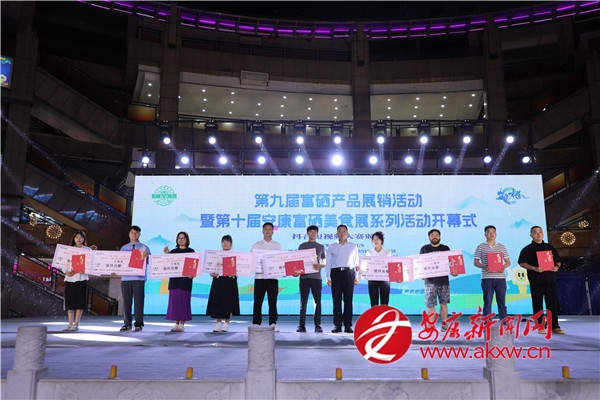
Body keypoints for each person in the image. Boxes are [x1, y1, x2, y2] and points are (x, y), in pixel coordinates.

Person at [518, 225, 565, 334]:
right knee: (537, 303)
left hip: (550, 279)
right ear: (531, 235)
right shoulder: (527, 249)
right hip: (536, 279)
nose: (538, 234)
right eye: (535, 232)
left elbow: (558, 261)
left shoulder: (550, 247)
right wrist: (534, 268)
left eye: (540, 232)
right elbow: (522, 263)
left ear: (543, 234)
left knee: (552, 303)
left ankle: (554, 326)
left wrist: (556, 267)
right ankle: (540, 326)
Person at [419, 229, 457, 332]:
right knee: (430, 304)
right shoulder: (424, 248)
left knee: (443, 303)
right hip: (429, 281)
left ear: (440, 237)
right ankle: (431, 325)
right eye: (432, 235)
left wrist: (454, 271)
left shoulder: (445, 248)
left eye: (437, 234)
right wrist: (421, 274)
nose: (434, 236)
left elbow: (451, 262)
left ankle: (444, 324)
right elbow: (420, 263)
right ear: (429, 237)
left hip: (443, 280)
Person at [326, 224, 359, 333]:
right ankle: (337, 325)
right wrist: (328, 277)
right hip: (336, 273)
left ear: (347, 233)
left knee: (348, 300)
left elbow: (357, 262)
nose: (342, 233)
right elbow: (328, 263)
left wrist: (357, 276)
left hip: (349, 273)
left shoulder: (353, 246)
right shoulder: (332, 246)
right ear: (337, 233)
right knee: (337, 300)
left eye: (344, 231)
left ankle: (348, 325)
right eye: (339, 231)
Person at [473, 225, 511, 320]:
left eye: (493, 232)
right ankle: (487, 322)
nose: (491, 234)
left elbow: (508, 262)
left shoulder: (502, 247)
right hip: (487, 278)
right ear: (485, 234)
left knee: (502, 302)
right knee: (487, 302)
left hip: (501, 278)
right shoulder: (480, 247)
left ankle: (504, 321)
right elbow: (476, 262)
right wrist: (484, 266)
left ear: (496, 234)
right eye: (489, 232)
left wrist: (503, 267)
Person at [251, 222, 283, 331]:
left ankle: (273, 323)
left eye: (270, 229)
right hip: (259, 277)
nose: (268, 231)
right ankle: (256, 323)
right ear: (262, 231)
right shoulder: (256, 245)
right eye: (266, 229)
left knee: (272, 302)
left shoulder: (277, 245)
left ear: (273, 231)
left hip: (273, 278)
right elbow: (252, 260)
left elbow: (281, 261)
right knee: (257, 301)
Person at [207, 235, 240, 333]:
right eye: (223, 242)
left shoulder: (235, 255)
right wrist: (212, 273)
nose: (225, 244)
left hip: (230, 280)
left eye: (227, 241)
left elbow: (240, 269)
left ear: (231, 243)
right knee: (217, 302)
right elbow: (211, 268)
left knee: (229, 302)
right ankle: (218, 323)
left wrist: (235, 273)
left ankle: (226, 323)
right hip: (218, 280)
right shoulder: (216, 255)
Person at [296, 225, 326, 333]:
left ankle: (317, 325)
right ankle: (301, 325)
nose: (313, 233)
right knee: (303, 302)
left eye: (315, 231)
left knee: (317, 302)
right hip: (304, 277)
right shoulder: (302, 246)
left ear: (317, 233)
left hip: (317, 278)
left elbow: (324, 261)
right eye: (311, 231)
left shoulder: (321, 247)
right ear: (307, 233)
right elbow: (298, 261)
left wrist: (320, 266)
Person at [119, 225, 150, 332]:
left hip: (139, 278)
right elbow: (119, 262)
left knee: (139, 302)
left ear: (139, 234)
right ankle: (127, 323)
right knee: (126, 302)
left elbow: (150, 262)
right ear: (129, 234)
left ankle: (139, 323)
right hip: (125, 279)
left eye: (136, 232)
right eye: (132, 232)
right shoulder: (123, 248)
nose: (134, 234)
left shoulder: (145, 248)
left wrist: (147, 256)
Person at [163, 232, 195, 332]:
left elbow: (193, 266)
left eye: (183, 238)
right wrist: (167, 255)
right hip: (174, 281)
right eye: (179, 238)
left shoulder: (191, 251)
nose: (181, 240)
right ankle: (176, 324)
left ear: (187, 240)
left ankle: (182, 324)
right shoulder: (173, 252)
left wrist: (192, 274)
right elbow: (168, 265)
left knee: (184, 303)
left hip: (185, 281)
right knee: (175, 303)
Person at [62, 230, 90, 332]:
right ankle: (70, 324)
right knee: (70, 302)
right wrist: (66, 272)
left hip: (82, 279)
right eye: (77, 237)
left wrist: (85, 270)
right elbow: (62, 263)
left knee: (80, 302)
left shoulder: (88, 250)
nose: (79, 239)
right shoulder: (68, 250)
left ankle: (76, 324)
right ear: (74, 238)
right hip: (70, 279)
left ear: (84, 239)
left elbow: (90, 264)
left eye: (81, 237)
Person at [365, 231, 392, 307]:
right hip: (372, 278)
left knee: (384, 301)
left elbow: (390, 266)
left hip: (384, 279)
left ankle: (384, 314)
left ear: (381, 241)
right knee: (373, 302)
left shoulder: (387, 253)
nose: (375, 241)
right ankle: (375, 315)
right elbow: (366, 266)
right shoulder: (369, 253)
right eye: (374, 239)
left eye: (378, 239)